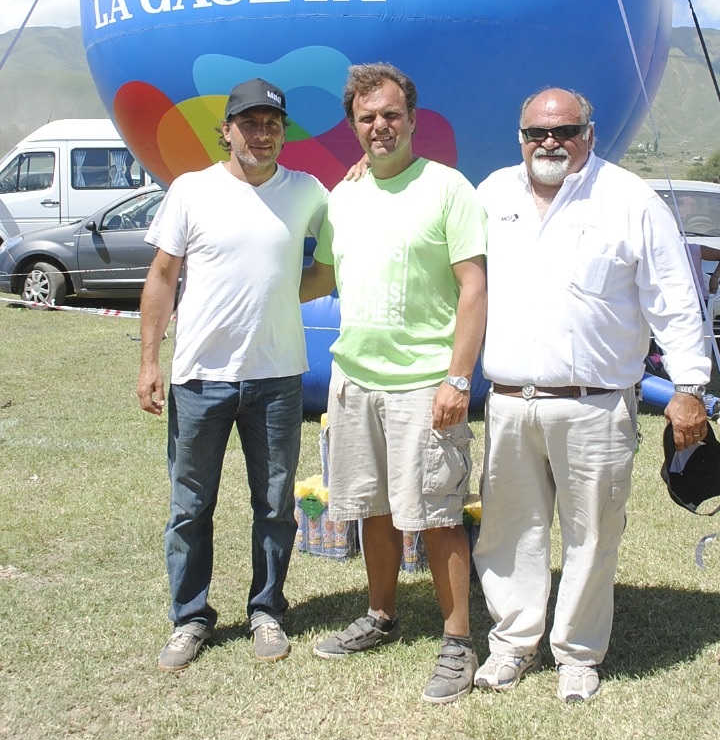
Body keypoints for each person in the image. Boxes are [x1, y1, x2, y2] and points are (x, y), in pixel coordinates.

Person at [472, 88, 709, 704]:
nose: (549, 142)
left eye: (565, 130)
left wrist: (688, 387)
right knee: (508, 530)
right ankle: (512, 644)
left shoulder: (631, 200)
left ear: (591, 134)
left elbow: (675, 300)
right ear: (519, 137)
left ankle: (577, 653)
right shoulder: (491, 194)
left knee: (592, 532)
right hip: (507, 400)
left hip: (597, 403)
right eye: (535, 133)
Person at [299, 63, 487, 705]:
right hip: (354, 384)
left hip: (424, 385)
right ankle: (381, 615)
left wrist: (457, 377)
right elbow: (323, 278)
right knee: (371, 508)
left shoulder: (448, 189)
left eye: (390, 115)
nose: (379, 127)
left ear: (412, 118)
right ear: (353, 125)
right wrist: (253, 293)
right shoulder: (342, 196)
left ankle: (458, 641)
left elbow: (473, 288)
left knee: (436, 515)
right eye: (366, 117)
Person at [137, 78, 328, 672]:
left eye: (272, 124)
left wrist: (276, 299)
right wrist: (149, 361)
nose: (262, 134)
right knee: (190, 507)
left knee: (273, 504)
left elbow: (329, 267)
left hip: (277, 378)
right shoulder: (192, 191)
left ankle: (266, 609)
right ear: (226, 130)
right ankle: (190, 619)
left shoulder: (308, 192)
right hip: (199, 379)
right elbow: (162, 277)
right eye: (249, 123)